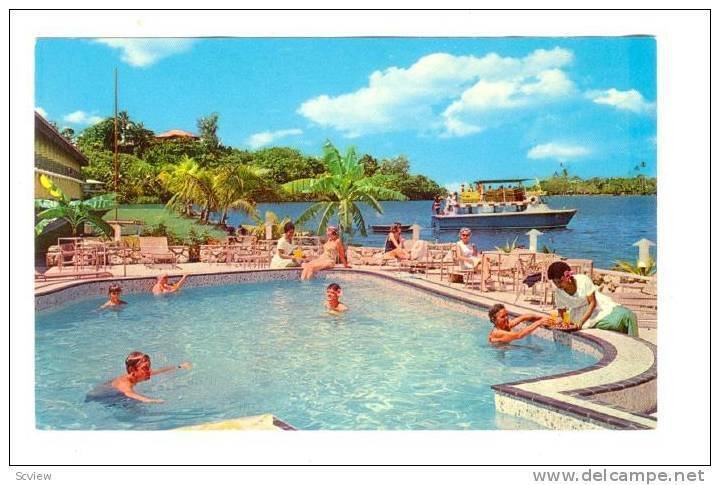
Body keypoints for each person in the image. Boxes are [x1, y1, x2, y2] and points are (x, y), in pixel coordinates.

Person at [547, 261, 638, 337]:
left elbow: (593, 303)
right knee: (618, 322)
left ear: (568, 277)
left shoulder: (583, 280)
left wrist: (582, 321)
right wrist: (563, 323)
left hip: (597, 308)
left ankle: (634, 345)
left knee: (629, 315)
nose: (558, 285)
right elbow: (562, 313)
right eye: (555, 283)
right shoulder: (559, 293)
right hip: (578, 316)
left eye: (559, 282)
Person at [99, 352, 192, 404]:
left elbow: (160, 370)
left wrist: (180, 366)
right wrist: (150, 400)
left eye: (149, 367)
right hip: (104, 396)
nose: (149, 370)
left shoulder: (141, 373)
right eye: (145, 368)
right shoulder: (125, 383)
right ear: (132, 369)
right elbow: (129, 393)